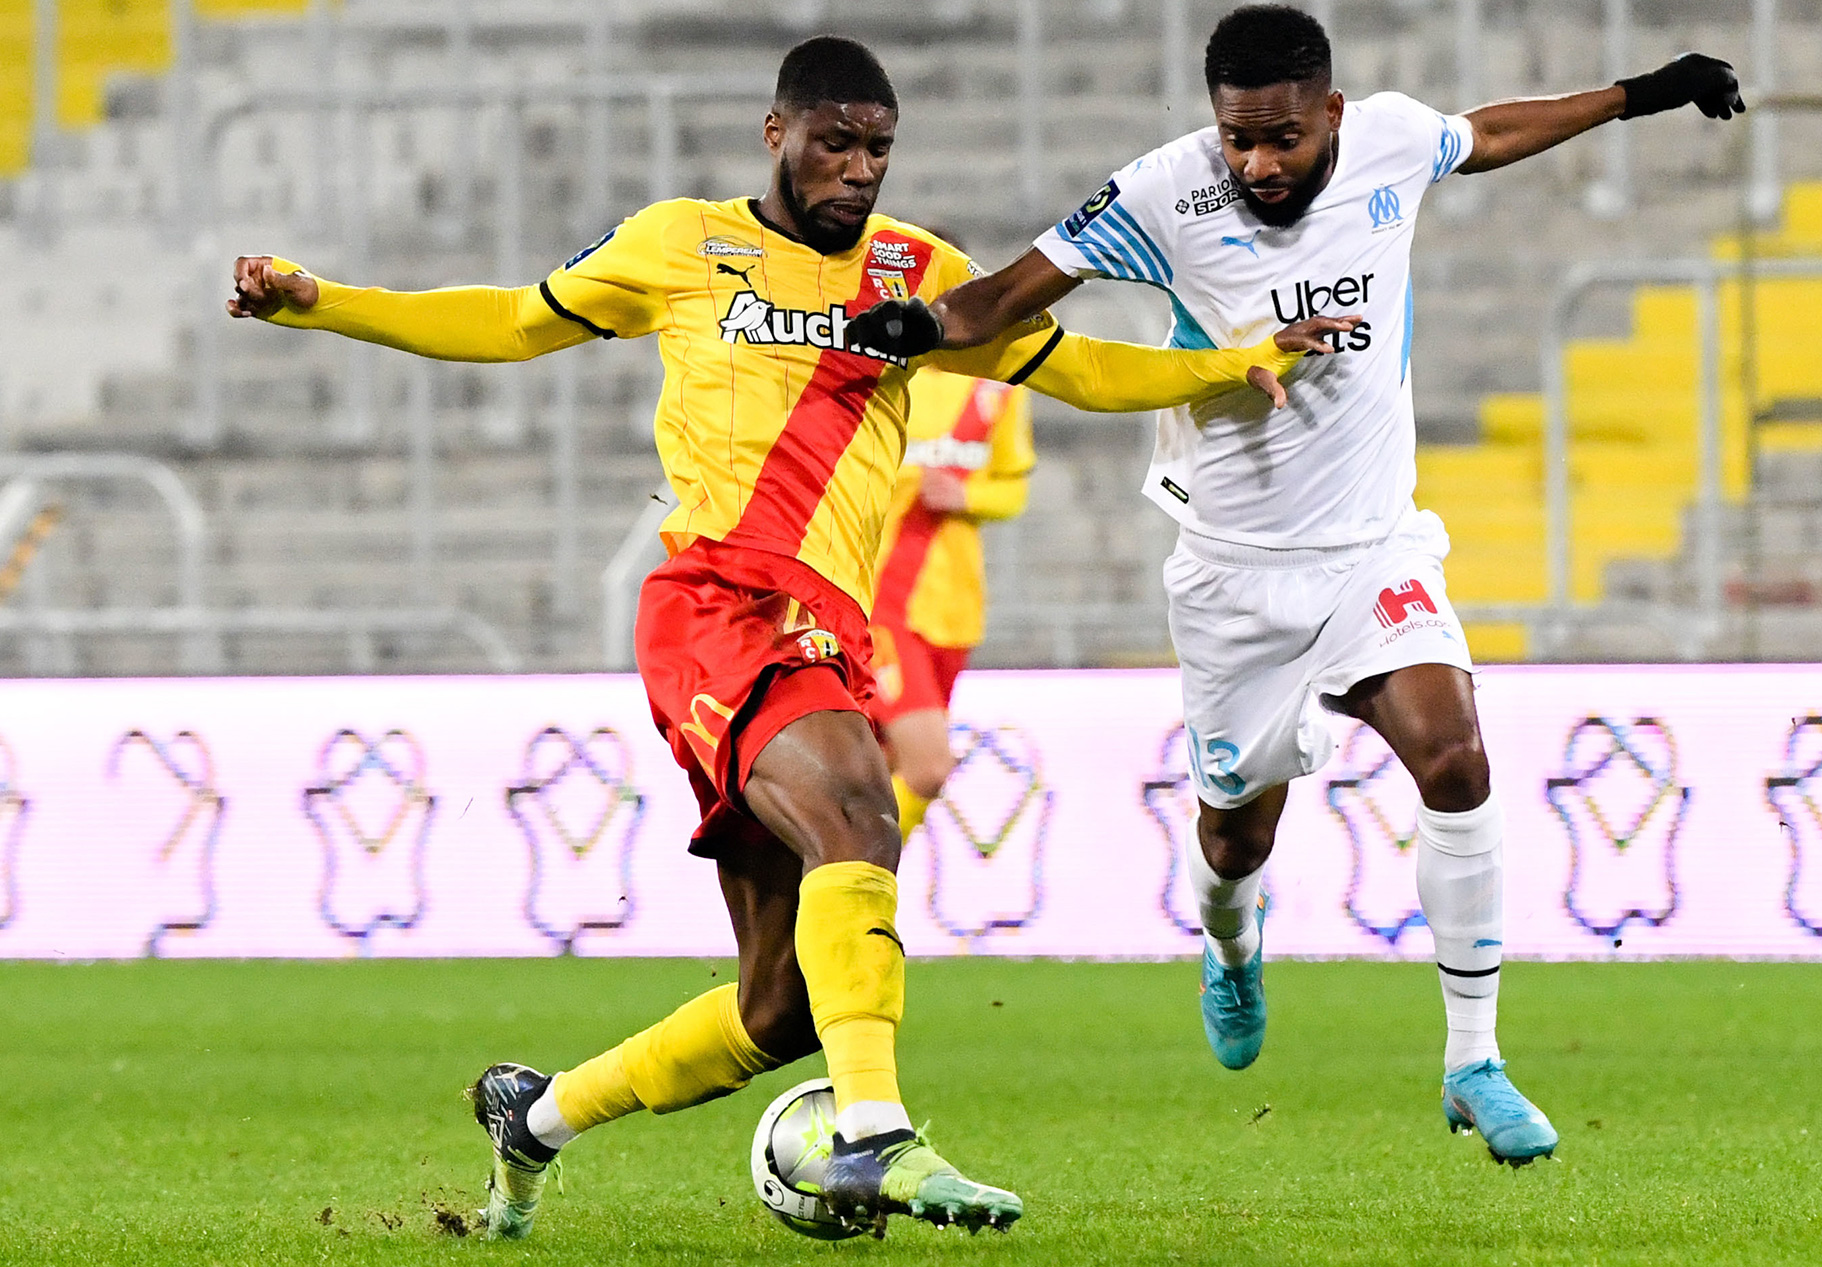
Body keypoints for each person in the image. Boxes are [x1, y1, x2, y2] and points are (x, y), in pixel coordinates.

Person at [226, 35, 1345, 1237]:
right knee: (862, 814)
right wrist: (319, 304)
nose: (857, 170)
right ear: (777, 134)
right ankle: (875, 1135)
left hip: (829, 635)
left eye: (876, 148)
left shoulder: (917, 271)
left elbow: (1070, 369)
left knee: (781, 1009)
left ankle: (536, 1116)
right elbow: (507, 320)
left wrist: (1231, 367)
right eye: (835, 143)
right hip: (716, 606)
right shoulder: (679, 245)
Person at [858, 4, 1744, 1165]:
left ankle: (1471, 1060)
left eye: (1279, 139)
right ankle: (1230, 951)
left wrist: (1642, 89)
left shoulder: (1386, 140)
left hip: (1374, 547)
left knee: (1456, 755)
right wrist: (912, 326)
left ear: (1328, 112)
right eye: (1236, 139)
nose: (1255, 165)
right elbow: (1007, 294)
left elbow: (1488, 131)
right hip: (1232, 572)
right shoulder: (1162, 193)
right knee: (1232, 834)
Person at [870, 364, 1034, 840]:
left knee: (885, 766)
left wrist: (966, 493)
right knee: (929, 768)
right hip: (885, 603)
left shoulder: (999, 388)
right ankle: (860, 878)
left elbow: (1014, 492)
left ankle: (839, 894)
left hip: (955, 609)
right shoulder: (886, 378)